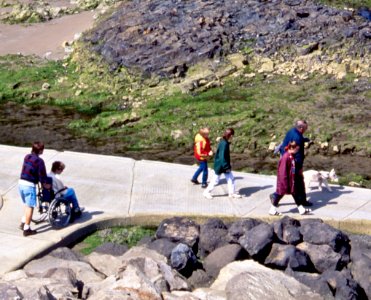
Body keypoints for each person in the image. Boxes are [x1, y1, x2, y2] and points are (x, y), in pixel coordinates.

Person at [269, 141, 312, 216]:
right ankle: (272, 210)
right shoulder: (285, 157)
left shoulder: (291, 156)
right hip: (285, 182)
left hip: (291, 181)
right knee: (280, 194)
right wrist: (284, 183)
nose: (297, 151)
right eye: (296, 149)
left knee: (295, 194)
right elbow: (282, 172)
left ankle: (301, 210)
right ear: (292, 148)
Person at [18, 141, 49, 236]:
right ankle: (27, 229)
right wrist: (45, 185)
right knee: (30, 207)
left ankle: (23, 222)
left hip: (21, 183)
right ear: (40, 150)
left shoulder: (27, 156)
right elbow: (42, 175)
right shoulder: (40, 161)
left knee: (27, 205)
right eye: (42, 149)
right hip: (29, 185)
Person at [279, 120, 312, 206]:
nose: (306, 129)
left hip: (285, 157)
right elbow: (298, 155)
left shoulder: (292, 131)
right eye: (305, 128)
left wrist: (304, 139)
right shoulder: (297, 137)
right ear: (301, 128)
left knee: (290, 182)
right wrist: (300, 168)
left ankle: (276, 196)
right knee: (298, 182)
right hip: (293, 162)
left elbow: (292, 141)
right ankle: (302, 201)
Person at [203, 128, 241, 199]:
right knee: (216, 180)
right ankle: (206, 192)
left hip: (221, 165)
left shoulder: (223, 141)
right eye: (232, 135)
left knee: (230, 179)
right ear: (231, 135)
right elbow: (222, 156)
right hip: (222, 166)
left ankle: (231, 193)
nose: (233, 137)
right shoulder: (224, 143)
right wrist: (226, 167)